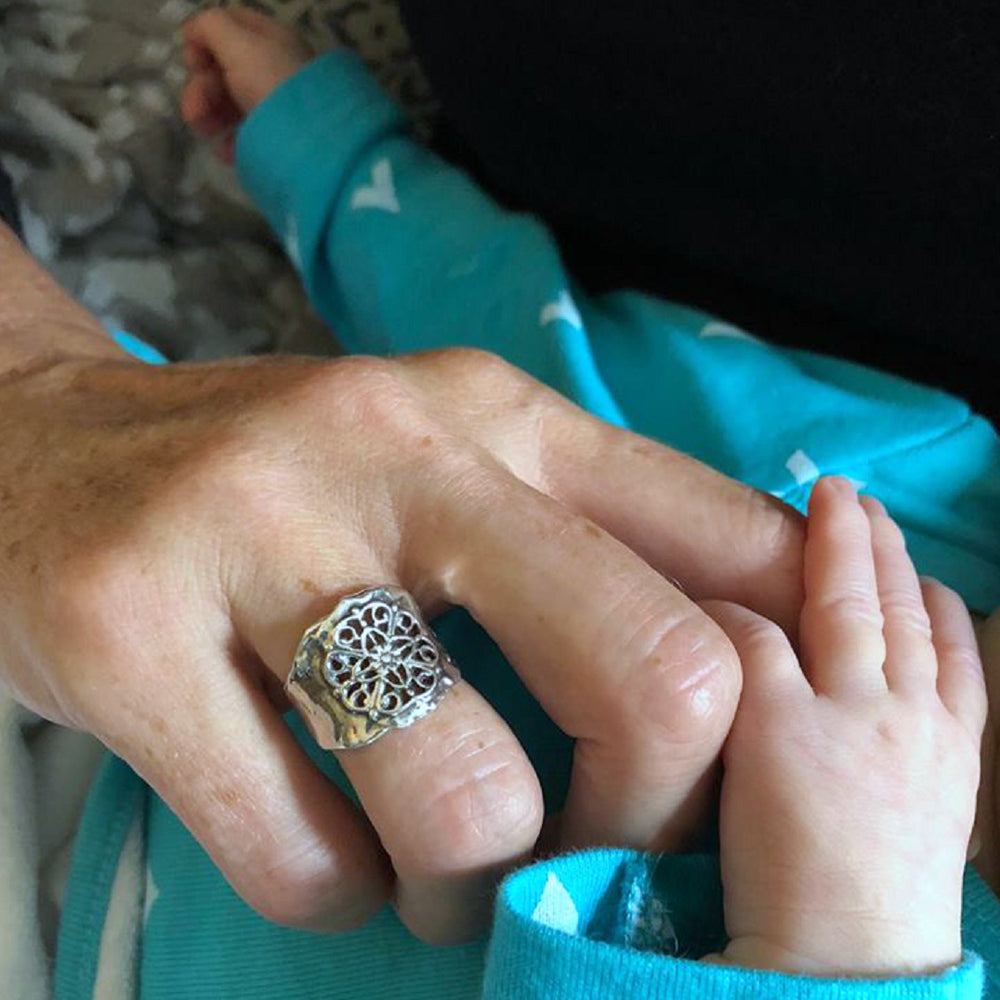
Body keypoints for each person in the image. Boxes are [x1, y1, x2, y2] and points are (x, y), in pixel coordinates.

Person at [43, 7, 1000, 999]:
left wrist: (848, 941)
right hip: (121, 654)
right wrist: (332, 165)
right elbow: (509, 373)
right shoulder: (887, 481)